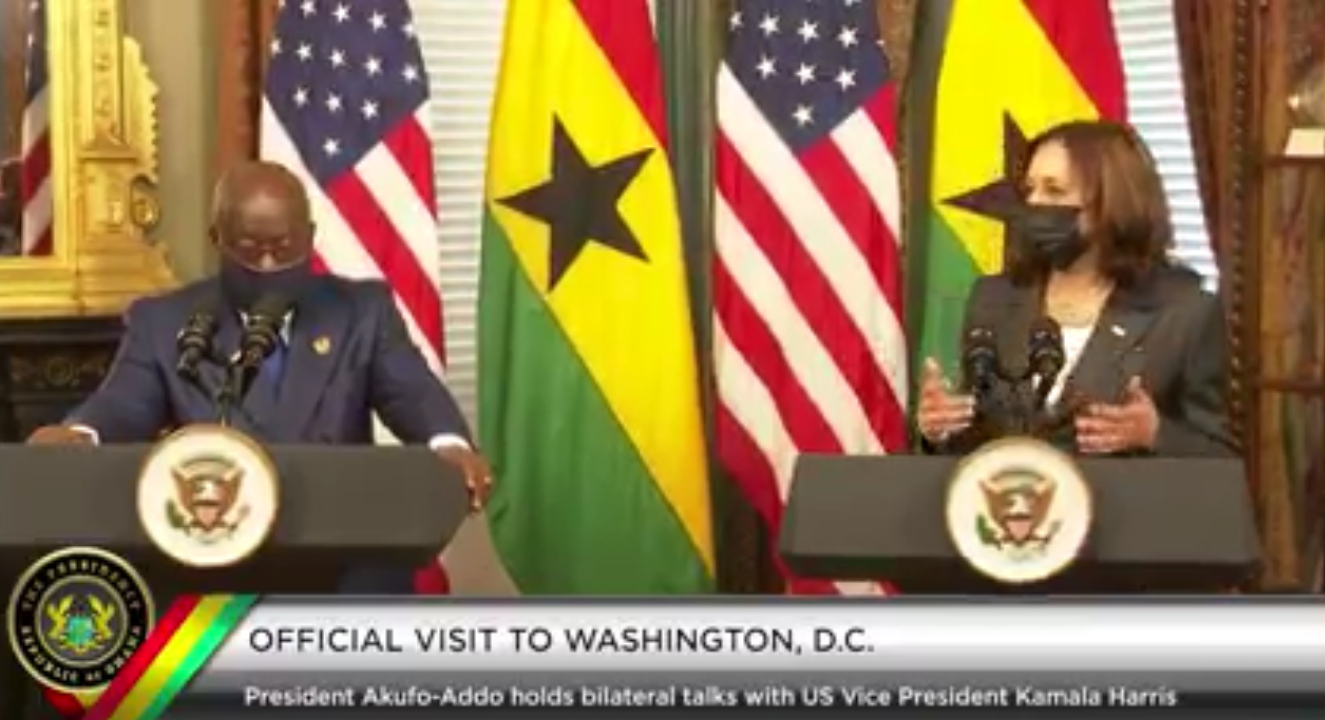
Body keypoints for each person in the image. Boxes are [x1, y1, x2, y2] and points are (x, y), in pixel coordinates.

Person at [27, 161, 493, 584]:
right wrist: (79, 434)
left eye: (282, 248)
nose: (268, 264)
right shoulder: (166, 322)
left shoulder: (361, 312)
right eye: (250, 249)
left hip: (344, 561)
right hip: (212, 561)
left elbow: (410, 392)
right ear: (218, 240)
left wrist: (448, 444)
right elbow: (125, 402)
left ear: (310, 238)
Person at [916, 120, 1236, 457]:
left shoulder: (1184, 313)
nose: (1034, 204)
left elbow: (1219, 456)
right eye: (1030, 190)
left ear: (1112, 201)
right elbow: (975, 442)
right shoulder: (994, 299)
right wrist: (939, 429)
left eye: (1054, 190)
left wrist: (1155, 435)